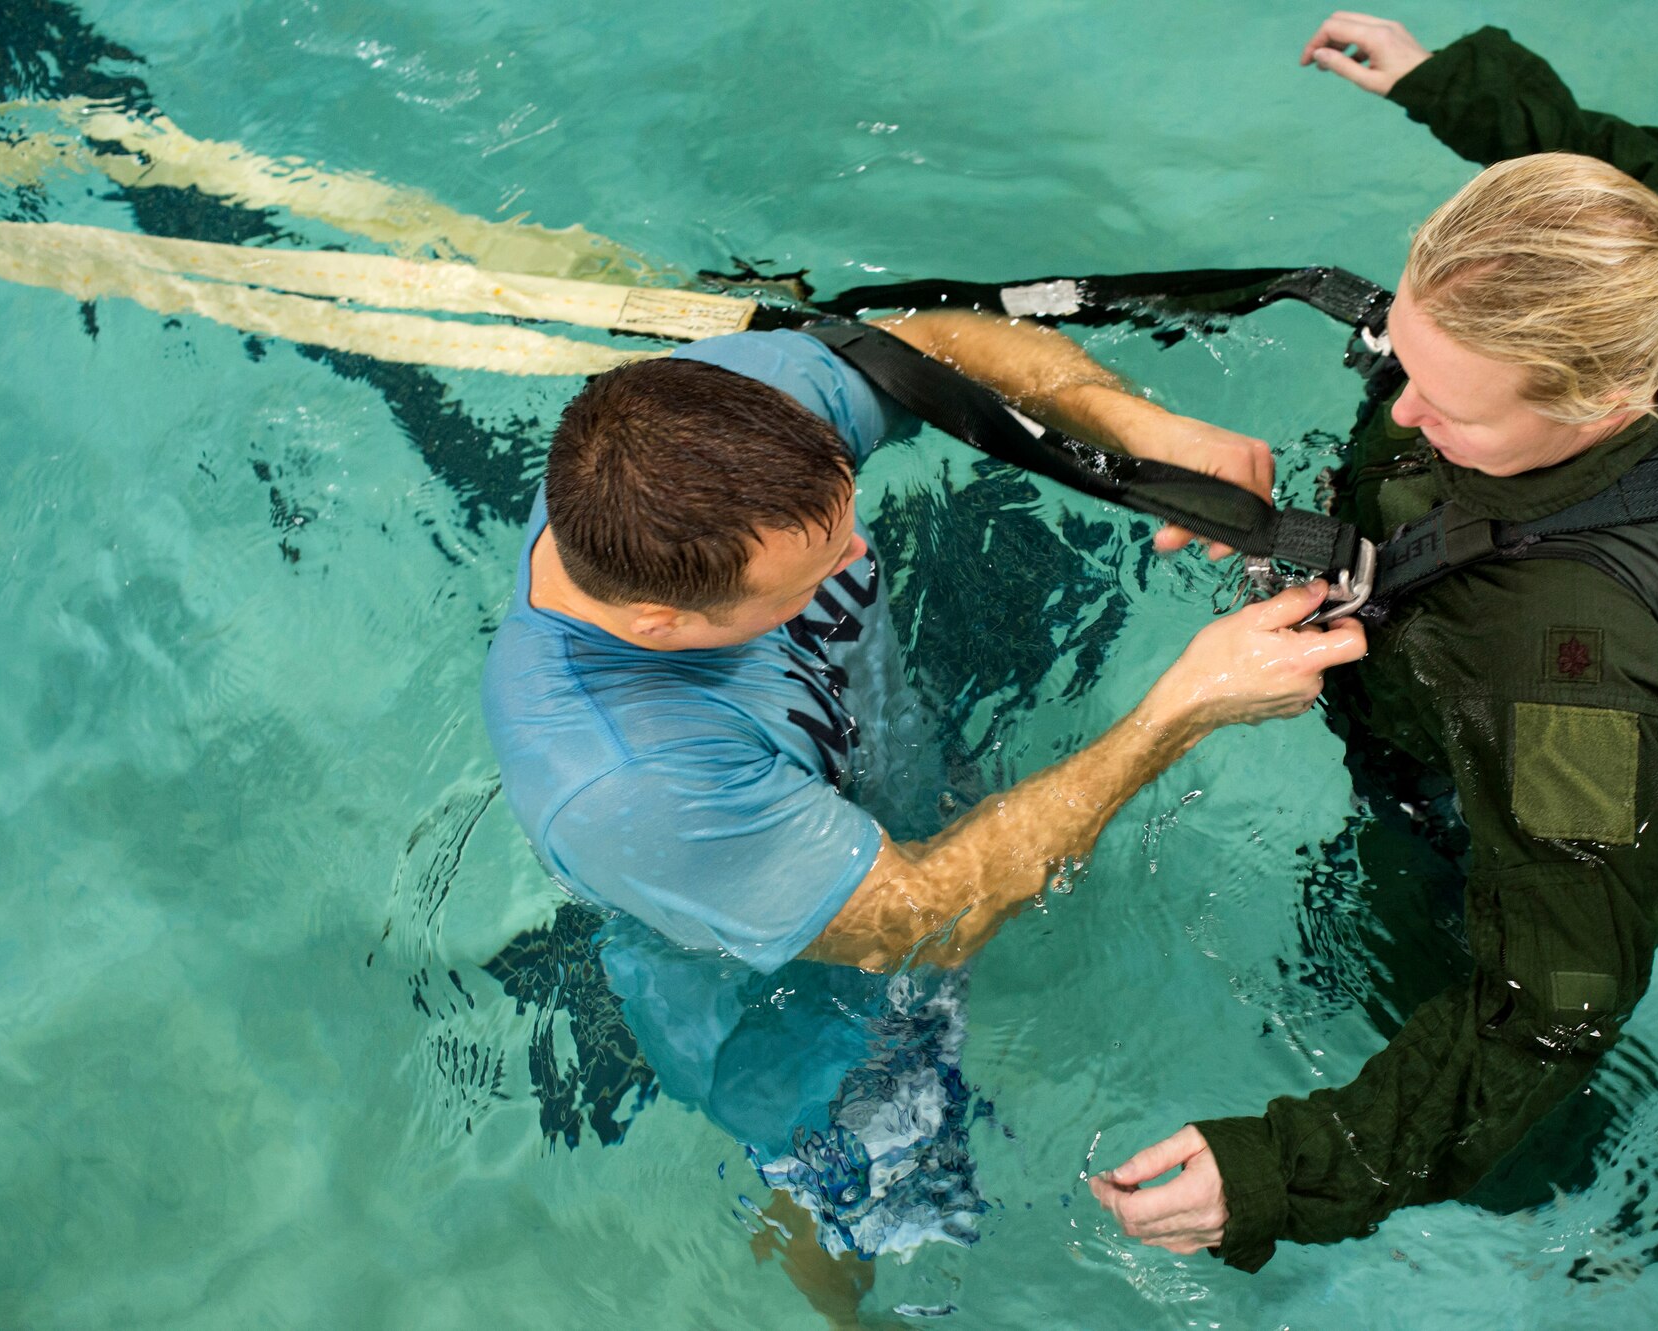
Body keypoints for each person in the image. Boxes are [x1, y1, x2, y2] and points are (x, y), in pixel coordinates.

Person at [479, 307, 1366, 1309]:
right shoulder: (625, 780)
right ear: (661, 623)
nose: (853, 551)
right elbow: (921, 924)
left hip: (870, 785)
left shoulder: (724, 420)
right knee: (863, 1200)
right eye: (809, 575)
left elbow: (931, 352)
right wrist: (1182, 707)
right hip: (795, 992)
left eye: (843, 521)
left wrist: (1139, 432)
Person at [1091, 14, 1658, 1270]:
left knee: (1424, 982)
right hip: (1514, 625)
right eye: (1400, 358)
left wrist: (1286, 1169)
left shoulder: (1560, 691)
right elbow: (1633, 168)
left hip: (1483, 798)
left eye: (1445, 406)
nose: (1401, 410)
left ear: (1601, 403)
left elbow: (1557, 1005)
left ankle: (1563, 1205)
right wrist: (1446, 85)